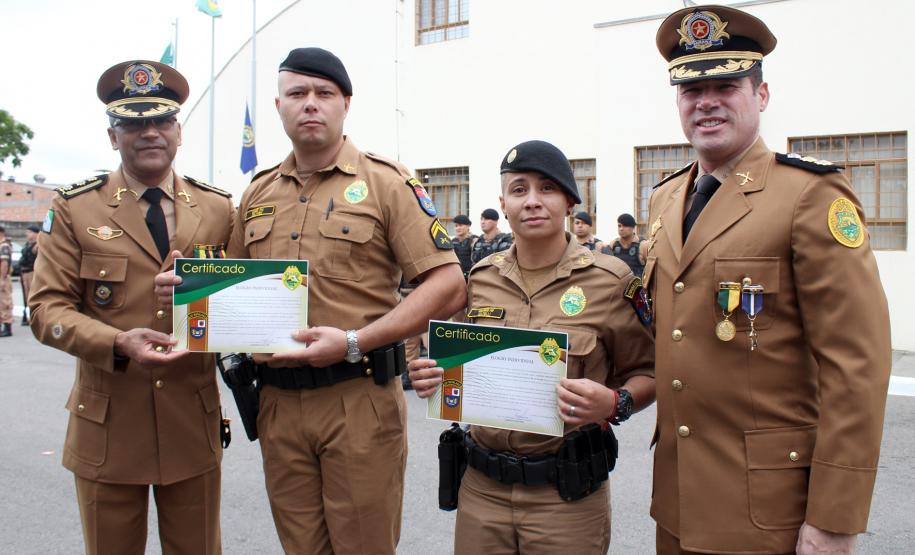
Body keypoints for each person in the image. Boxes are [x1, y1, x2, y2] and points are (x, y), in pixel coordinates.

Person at [155, 47, 465, 554]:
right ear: (279, 106)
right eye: (297, 93)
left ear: (346, 103)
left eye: (324, 93)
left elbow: (448, 283)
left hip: (358, 396)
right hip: (277, 402)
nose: (311, 104)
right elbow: (232, 288)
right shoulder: (256, 193)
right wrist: (189, 291)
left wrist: (352, 340)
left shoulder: (386, 181)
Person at [646, 6, 891, 554]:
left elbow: (857, 365)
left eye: (726, 84)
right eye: (691, 89)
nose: (705, 100)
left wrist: (835, 518)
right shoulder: (664, 199)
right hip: (677, 503)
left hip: (769, 511)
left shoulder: (809, 195)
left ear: (761, 95)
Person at [409, 140, 656, 554]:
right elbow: (467, 362)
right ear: (503, 203)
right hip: (482, 490)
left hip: (565, 495)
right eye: (519, 190)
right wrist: (432, 373)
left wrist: (616, 403)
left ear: (569, 201)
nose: (533, 201)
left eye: (547, 188)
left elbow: (651, 372)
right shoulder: (482, 277)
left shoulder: (611, 280)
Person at [28, 60, 235, 554]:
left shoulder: (218, 208)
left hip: (191, 418)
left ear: (179, 132)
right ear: (112, 135)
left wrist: (207, 301)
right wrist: (117, 341)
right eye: (133, 123)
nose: (149, 133)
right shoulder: (76, 208)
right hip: (108, 426)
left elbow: (247, 305)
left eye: (161, 120)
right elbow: (45, 310)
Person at [18, 223, 40, 325]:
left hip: (32, 272)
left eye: (30, 232)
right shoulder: (27, 244)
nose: (27, 234)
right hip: (24, 273)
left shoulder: (38, 245)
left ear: (36, 233)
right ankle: (27, 315)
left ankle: (36, 317)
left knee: (33, 296)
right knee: (25, 296)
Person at [452, 214, 478, 278]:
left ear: (468, 226)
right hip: (457, 276)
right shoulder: (453, 241)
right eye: (456, 226)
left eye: (460, 225)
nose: (458, 228)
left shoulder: (474, 240)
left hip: (471, 276)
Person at [0, 225, 12, 337]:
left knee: (4, 302)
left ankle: (7, 327)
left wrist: (3, 279)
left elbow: (4, 263)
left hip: (2, 277)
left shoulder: (4, 245)